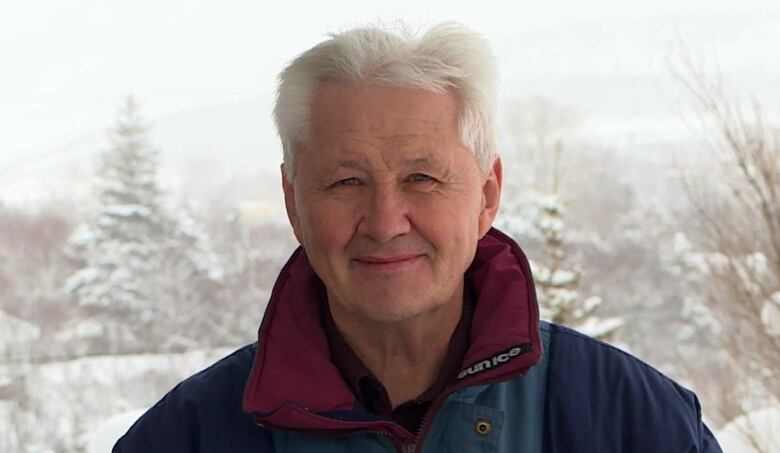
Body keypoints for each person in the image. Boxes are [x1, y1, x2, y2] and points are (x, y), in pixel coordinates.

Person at [113, 22, 722, 452]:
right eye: (346, 180)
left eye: (422, 178)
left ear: (486, 194)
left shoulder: (631, 420)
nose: (384, 220)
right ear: (293, 200)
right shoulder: (187, 435)